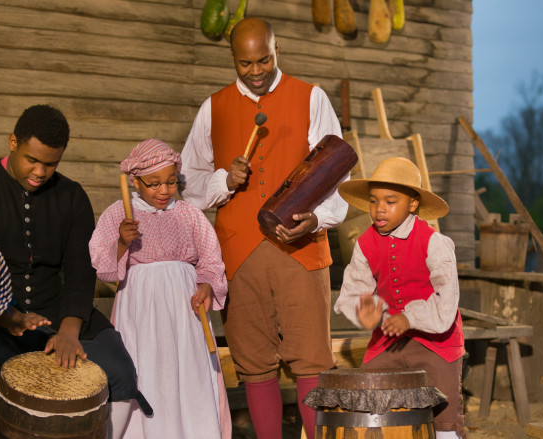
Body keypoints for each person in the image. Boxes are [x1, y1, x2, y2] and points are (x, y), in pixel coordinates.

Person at [180, 17, 348, 439]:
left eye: (264, 60)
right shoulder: (212, 109)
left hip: (301, 249)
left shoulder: (311, 98)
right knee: (254, 363)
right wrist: (222, 180)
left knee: (312, 357)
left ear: (278, 49)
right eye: (245, 63)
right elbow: (186, 186)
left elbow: (338, 177)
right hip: (237, 254)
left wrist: (317, 219)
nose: (255, 71)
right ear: (232, 59)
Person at [0, 104, 149, 439]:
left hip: (61, 313)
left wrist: (69, 330)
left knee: (120, 373)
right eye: (32, 160)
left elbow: (80, 268)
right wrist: (7, 318)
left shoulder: (72, 196)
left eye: (51, 163)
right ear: (13, 142)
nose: (40, 171)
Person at [89, 139, 231, 438]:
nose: (164, 191)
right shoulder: (118, 214)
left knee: (188, 369)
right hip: (140, 307)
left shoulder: (189, 214)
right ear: (135, 181)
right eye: (154, 184)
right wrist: (122, 242)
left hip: (184, 308)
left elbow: (210, 258)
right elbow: (102, 265)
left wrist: (205, 285)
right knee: (145, 368)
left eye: (170, 182)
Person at [334, 156, 466, 439]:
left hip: (436, 344)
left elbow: (447, 298)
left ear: (413, 204)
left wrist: (410, 317)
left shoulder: (434, 243)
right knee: (369, 409)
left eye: (390, 201)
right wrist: (364, 309)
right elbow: (355, 289)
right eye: (373, 201)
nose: (379, 209)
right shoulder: (365, 243)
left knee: (443, 421)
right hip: (387, 343)